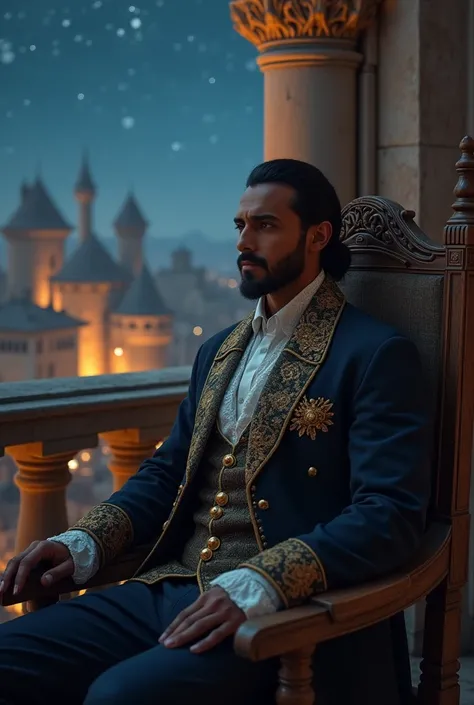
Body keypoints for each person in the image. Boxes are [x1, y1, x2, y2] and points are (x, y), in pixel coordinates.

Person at [0, 159, 430, 705]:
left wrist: (264, 582)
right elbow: (166, 473)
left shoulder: (373, 355)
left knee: (119, 697)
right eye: (239, 225)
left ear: (318, 236)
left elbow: (389, 514)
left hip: (288, 618)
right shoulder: (219, 350)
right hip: (170, 586)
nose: (245, 242)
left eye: (266, 226)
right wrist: (83, 542)